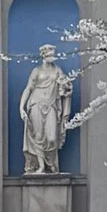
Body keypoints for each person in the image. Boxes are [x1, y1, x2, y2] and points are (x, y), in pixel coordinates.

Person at [18, 41, 76, 175]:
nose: (52, 57)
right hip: (36, 104)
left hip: (51, 106)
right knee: (38, 136)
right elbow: (28, 89)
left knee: (51, 137)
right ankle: (41, 167)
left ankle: (51, 164)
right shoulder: (36, 71)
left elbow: (65, 86)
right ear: (44, 55)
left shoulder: (57, 70)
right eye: (50, 54)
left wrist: (66, 88)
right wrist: (21, 108)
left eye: (53, 54)